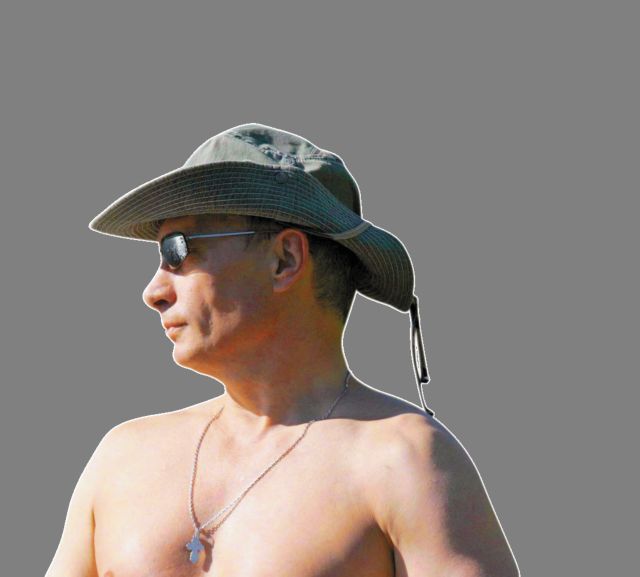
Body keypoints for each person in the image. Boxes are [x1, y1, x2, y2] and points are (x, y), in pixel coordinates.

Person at [46, 123, 519, 577]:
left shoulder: (403, 460)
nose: (154, 291)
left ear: (284, 259)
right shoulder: (123, 460)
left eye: (178, 251)